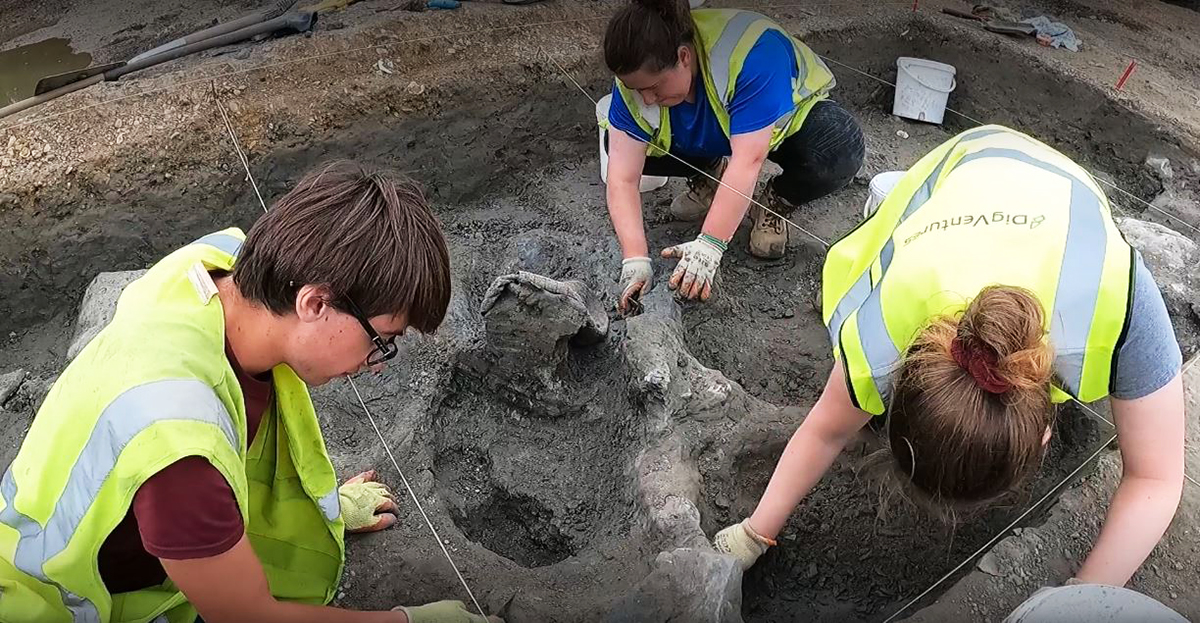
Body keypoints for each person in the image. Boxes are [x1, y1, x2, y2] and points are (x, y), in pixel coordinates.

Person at [0, 163, 497, 623]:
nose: (375, 365)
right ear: (315, 301)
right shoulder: (178, 447)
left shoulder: (211, 267)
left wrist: (323, 508)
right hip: (55, 604)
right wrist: (409, 621)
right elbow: (248, 616)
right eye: (381, 340)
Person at [712, 126, 1186, 590]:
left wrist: (1088, 593)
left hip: (1061, 193)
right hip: (962, 164)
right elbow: (825, 427)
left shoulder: (1120, 301)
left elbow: (1158, 476)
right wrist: (756, 532)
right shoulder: (881, 326)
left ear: (1043, 436)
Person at [602, 0, 865, 313]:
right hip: (707, 132)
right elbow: (622, 176)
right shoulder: (634, 82)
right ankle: (708, 174)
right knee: (616, 141)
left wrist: (709, 247)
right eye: (637, 89)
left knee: (840, 147)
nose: (646, 98)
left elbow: (748, 161)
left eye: (654, 87)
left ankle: (778, 199)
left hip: (782, 128)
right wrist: (635, 260)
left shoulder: (751, 52)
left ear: (683, 57)